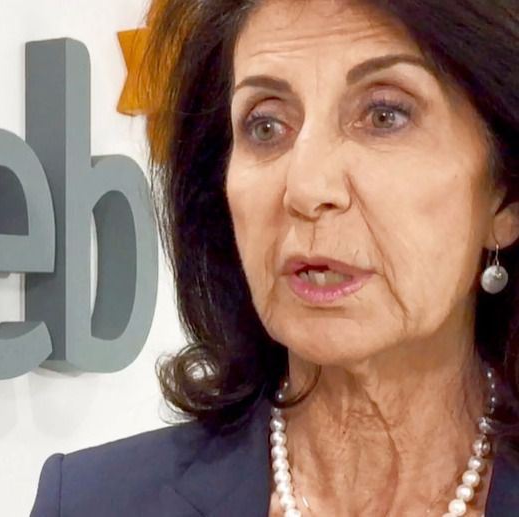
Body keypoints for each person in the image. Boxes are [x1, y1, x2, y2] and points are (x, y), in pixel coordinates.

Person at [30, 0, 519, 515]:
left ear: (505, 197)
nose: (306, 188)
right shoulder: (91, 500)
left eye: (384, 115)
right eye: (265, 126)